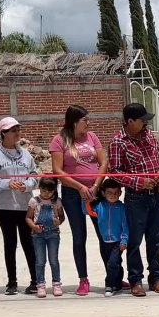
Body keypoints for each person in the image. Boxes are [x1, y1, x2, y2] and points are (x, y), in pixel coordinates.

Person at [108, 103, 159, 298]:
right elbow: (115, 173)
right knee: (134, 241)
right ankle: (136, 280)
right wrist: (139, 182)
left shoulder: (148, 135)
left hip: (155, 195)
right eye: (142, 119)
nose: (145, 122)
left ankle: (156, 278)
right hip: (136, 198)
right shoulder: (118, 142)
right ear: (129, 121)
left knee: (156, 238)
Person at [50, 105, 108, 296]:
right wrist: (80, 187)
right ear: (74, 122)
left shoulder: (92, 137)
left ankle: (113, 276)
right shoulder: (59, 141)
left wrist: (95, 187)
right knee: (79, 237)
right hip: (73, 195)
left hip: (95, 193)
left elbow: (103, 162)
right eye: (85, 120)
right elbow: (58, 170)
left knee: (105, 235)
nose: (88, 123)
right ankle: (83, 279)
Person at [0, 117, 39, 296]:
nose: (17, 133)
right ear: (3, 133)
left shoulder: (25, 154)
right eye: (13, 130)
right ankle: (12, 282)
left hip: (25, 205)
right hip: (5, 206)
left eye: (18, 129)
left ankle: (35, 280)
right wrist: (7, 184)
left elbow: (34, 175)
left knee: (29, 243)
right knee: (10, 243)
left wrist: (28, 185)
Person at [85, 179, 127, 297]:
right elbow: (88, 211)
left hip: (117, 242)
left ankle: (108, 285)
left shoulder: (122, 207)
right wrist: (88, 201)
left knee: (112, 264)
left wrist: (124, 239)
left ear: (120, 193)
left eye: (116, 193)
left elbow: (125, 225)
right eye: (109, 193)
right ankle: (117, 283)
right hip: (104, 241)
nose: (113, 196)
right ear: (103, 193)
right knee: (114, 263)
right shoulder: (99, 206)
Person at [26, 177, 65, 298]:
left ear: (54, 190)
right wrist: (34, 226)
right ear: (39, 188)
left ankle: (56, 283)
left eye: (49, 190)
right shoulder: (34, 201)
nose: (46, 193)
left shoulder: (57, 201)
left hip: (53, 233)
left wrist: (58, 221)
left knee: (54, 260)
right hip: (38, 235)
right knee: (40, 261)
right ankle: (41, 284)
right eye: (43, 190)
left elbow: (62, 217)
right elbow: (28, 217)